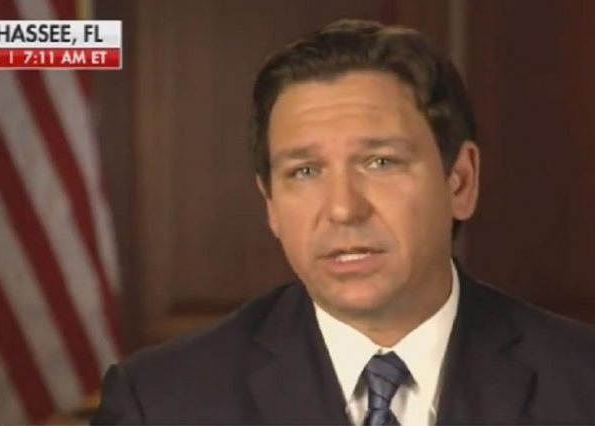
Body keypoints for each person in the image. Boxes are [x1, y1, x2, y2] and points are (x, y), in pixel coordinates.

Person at [93, 19, 595, 425]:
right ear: (271, 204)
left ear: (460, 182)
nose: (342, 209)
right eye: (304, 171)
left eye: (381, 162)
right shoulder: (160, 403)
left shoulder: (581, 383)